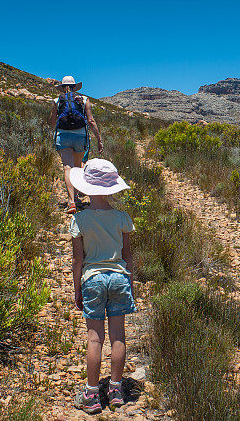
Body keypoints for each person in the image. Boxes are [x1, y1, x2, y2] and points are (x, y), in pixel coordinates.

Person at [69, 159, 136, 414]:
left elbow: (78, 260)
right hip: (119, 277)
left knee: (95, 338)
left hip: (92, 279)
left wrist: (77, 288)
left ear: (85, 187)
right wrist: (129, 281)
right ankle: (116, 389)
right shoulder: (122, 218)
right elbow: (127, 255)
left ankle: (92, 394)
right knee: (118, 336)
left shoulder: (80, 220)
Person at [48, 75, 104, 214]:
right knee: (78, 167)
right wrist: (99, 139)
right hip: (80, 136)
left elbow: (52, 121)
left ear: (62, 87)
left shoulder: (57, 101)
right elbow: (91, 121)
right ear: (75, 87)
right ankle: (78, 196)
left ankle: (71, 201)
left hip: (63, 135)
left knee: (67, 168)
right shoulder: (84, 100)